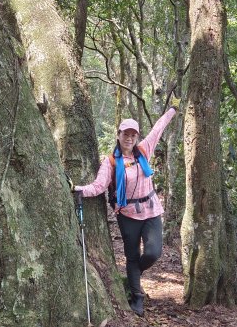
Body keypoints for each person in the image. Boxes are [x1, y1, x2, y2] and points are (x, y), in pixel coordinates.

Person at [70, 104, 178, 317]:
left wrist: (173, 109)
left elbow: (158, 128)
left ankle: (134, 274)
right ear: (118, 135)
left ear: (137, 137)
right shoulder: (110, 162)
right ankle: (137, 298)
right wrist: (78, 188)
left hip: (151, 209)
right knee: (131, 256)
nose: (129, 138)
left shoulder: (145, 150)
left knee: (153, 252)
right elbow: (99, 186)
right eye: (125, 134)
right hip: (127, 214)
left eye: (133, 134)